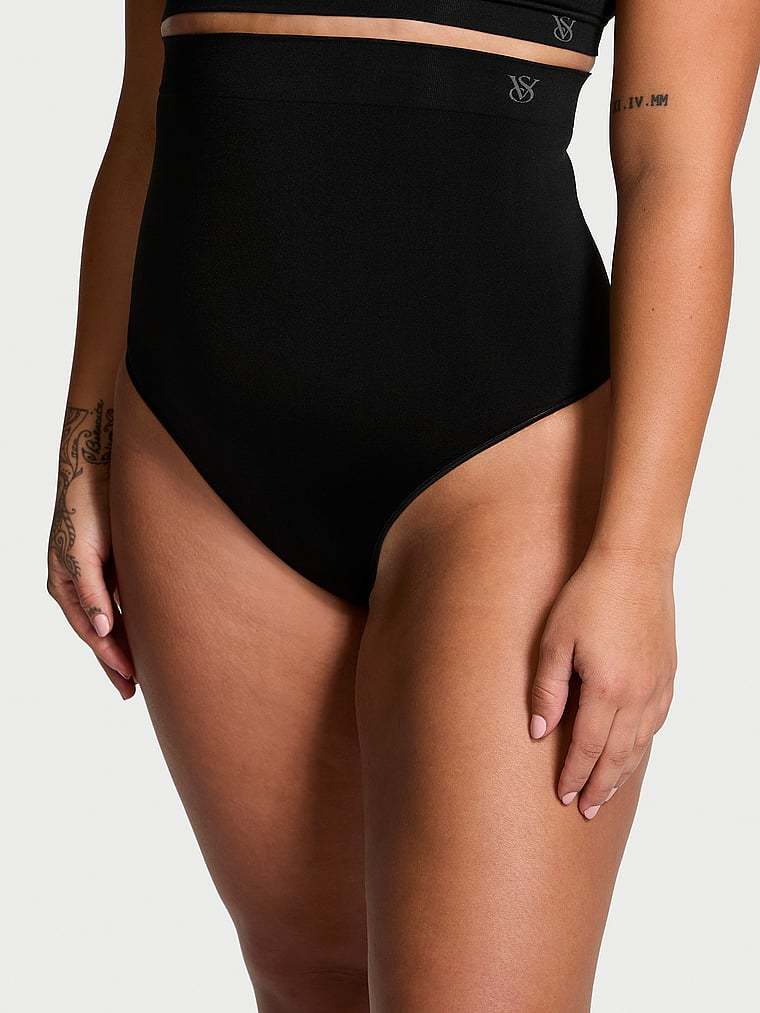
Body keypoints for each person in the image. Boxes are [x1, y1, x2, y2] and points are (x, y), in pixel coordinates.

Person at [47, 2, 759, 1009]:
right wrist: (87, 438)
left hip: (509, 461)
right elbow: (143, 115)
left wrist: (637, 556)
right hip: (196, 455)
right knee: (313, 981)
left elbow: (673, 174)